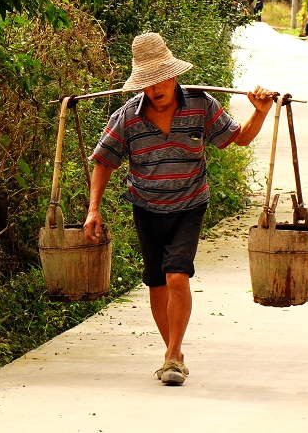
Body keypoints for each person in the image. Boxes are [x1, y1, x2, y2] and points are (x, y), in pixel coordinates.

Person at [83, 32, 275, 386]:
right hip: (146, 206)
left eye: (160, 79)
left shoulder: (201, 106)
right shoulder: (127, 117)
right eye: (147, 82)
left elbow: (238, 138)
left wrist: (259, 112)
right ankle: (173, 351)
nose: (155, 88)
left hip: (189, 203)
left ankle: (173, 355)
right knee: (157, 283)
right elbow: (104, 161)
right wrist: (93, 209)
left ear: (173, 76)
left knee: (176, 275)